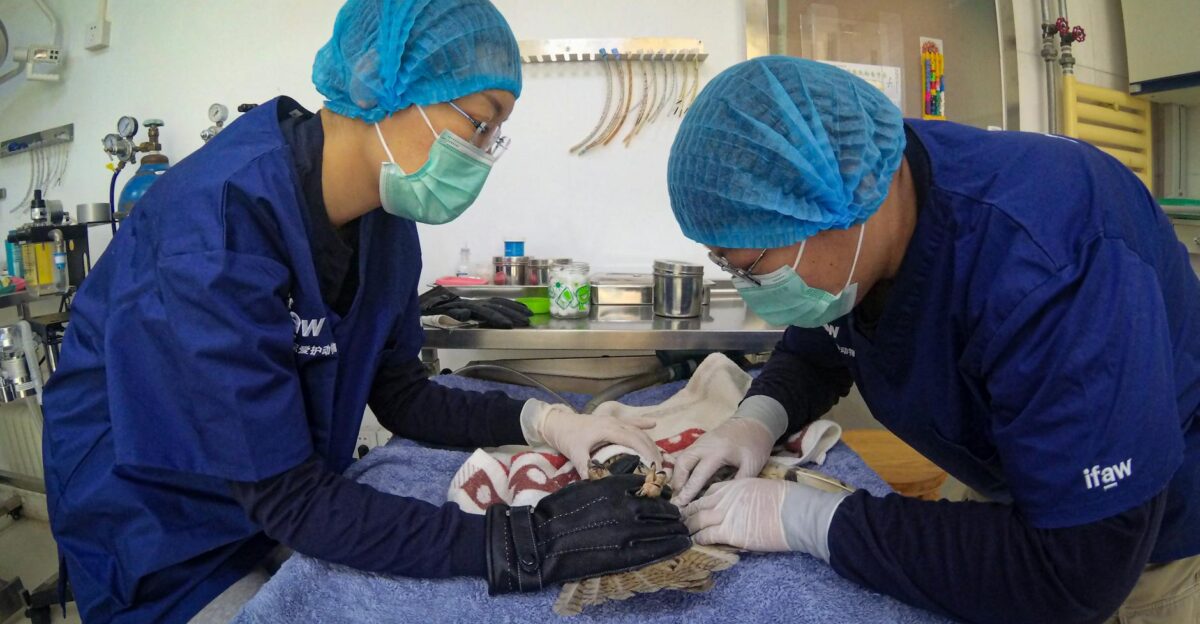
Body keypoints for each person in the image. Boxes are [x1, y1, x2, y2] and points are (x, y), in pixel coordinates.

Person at [42, 2, 688, 621]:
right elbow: (290, 499)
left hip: (277, 511)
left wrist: (547, 421)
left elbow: (402, 394)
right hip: (163, 539)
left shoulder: (385, 223)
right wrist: (524, 541)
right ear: (386, 84)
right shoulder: (215, 228)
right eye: (480, 122)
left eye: (497, 134)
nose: (484, 152)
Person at [666, 57, 1199, 624]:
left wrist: (807, 519)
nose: (751, 291)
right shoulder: (873, 201)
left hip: (1139, 550)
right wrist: (756, 419)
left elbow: (1074, 570)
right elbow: (819, 343)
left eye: (754, 267)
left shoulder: (1049, 267)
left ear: (836, 211)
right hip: (1007, 481)